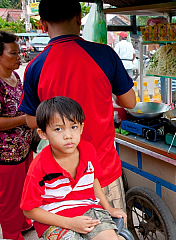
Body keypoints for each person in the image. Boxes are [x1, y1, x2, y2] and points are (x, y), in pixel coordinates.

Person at [18, 0, 136, 216]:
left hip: (59, 183)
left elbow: (31, 122)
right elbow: (130, 103)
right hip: (104, 171)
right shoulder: (105, 55)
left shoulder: (35, 67)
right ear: (79, 18)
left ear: (43, 25)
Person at [20, 96, 126, 240]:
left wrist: (108, 208)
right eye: (58, 129)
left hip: (88, 209)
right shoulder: (38, 167)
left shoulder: (88, 150)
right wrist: (70, 223)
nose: (68, 135)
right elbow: (29, 210)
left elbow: (93, 180)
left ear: (81, 128)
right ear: (43, 134)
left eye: (73, 127)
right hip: (54, 218)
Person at [0, 31, 33, 240]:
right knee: (9, 201)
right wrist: (26, 120)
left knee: (24, 192)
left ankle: (22, 223)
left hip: (24, 148)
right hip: (6, 155)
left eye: (19, 52)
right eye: (13, 53)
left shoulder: (15, 77)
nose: (19, 57)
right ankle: (12, 235)